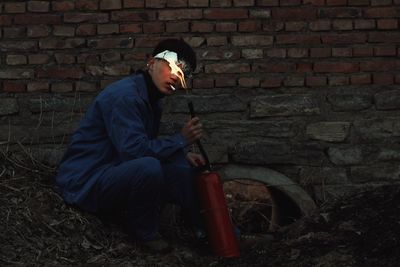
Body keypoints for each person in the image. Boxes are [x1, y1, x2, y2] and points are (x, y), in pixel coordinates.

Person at [55, 38, 206, 253]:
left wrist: (179, 152)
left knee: (183, 167)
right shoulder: (124, 96)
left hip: (113, 169)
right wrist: (180, 140)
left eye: (183, 74)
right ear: (152, 63)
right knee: (149, 167)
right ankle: (145, 234)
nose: (175, 76)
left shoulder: (151, 97)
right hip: (86, 182)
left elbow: (143, 144)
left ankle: (210, 234)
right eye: (171, 66)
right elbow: (135, 152)